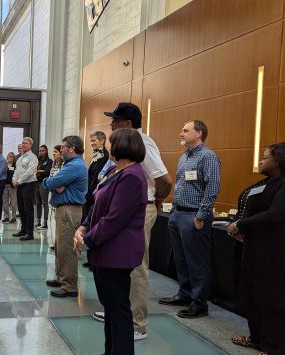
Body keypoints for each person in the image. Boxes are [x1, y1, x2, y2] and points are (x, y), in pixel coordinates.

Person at [92, 102, 172, 342]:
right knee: (118, 264)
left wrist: (156, 199)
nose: (111, 124)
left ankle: (137, 323)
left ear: (127, 123)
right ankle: (118, 310)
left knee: (136, 266)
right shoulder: (124, 145)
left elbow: (164, 179)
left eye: (115, 120)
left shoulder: (141, 142)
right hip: (125, 207)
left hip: (139, 209)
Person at [74, 128, 148, 355]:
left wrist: (86, 239)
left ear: (122, 146)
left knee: (118, 310)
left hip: (117, 252)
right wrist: (83, 225)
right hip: (106, 251)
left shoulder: (133, 176)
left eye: (112, 142)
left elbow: (115, 218)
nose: (109, 147)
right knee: (111, 308)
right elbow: (97, 204)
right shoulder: (117, 170)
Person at [158, 120, 221, 319]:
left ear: (199, 133)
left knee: (196, 262)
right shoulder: (184, 157)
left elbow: (212, 188)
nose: (181, 133)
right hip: (177, 214)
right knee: (180, 259)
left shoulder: (208, 157)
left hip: (194, 215)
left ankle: (199, 303)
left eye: (185, 130)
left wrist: (201, 216)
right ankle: (185, 294)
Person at [227, 143, 285, 355]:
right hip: (254, 249)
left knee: (272, 300)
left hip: (273, 254)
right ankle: (257, 337)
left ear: (278, 160)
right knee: (255, 295)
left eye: (265, 157)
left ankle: (273, 347)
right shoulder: (267, 183)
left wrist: (240, 225)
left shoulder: (283, 185)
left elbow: (275, 215)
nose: (260, 161)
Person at [43, 136, 88, 297]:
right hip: (64, 209)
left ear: (72, 148)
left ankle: (69, 286)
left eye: (63, 147)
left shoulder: (74, 166)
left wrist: (51, 183)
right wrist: (53, 183)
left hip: (69, 210)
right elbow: (53, 182)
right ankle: (62, 278)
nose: (60, 150)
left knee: (67, 248)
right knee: (60, 246)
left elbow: (49, 183)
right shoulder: (70, 165)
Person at [12, 137, 39, 241]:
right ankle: (23, 230)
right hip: (20, 185)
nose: (23, 145)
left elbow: (30, 172)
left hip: (28, 185)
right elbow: (17, 170)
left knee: (28, 210)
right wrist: (14, 179)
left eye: (26, 143)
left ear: (30, 145)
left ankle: (30, 233)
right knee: (21, 209)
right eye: (22, 143)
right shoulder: (20, 157)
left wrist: (19, 181)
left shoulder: (33, 157)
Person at [82, 131, 109, 220]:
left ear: (102, 141)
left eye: (94, 141)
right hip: (89, 193)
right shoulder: (97, 155)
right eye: (91, 141)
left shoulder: (105, 156)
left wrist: (89, 195)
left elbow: (98, 177)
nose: (91, 143)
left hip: (95, 195)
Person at [35, 145, 53, 229]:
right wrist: (39, 171)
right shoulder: (37, 160)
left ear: (46, 151)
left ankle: (45, 222)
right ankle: (38, 221)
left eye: (43, 150)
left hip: (44, 182)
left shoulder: (49, 161)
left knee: (44, 203)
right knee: (37, 203)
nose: (41, 152)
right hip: (36, 182)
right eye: (40, 151)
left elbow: (47, 172)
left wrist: (38, 171)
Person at [2, 152, 18, 223]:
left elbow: (17, 174)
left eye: (12, 157)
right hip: (5, 185)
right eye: (9, 156)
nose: (10, 158)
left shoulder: (15, 165)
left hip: (12, 186)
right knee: (5, 202)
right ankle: (6, 217)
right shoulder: (4, 165)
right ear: (7, 157)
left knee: (13, 202)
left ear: (14, 158)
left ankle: (14, 217)